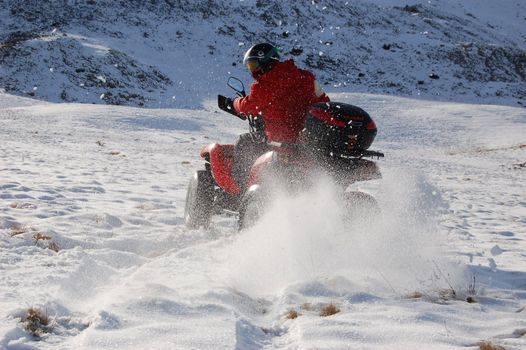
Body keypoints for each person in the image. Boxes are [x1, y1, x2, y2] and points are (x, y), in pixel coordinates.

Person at [223, 43, 330, 187]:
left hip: (279, 142)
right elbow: (324, 102)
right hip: (308, 142)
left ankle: (240, 190)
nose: (252, 70)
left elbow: (248, 106)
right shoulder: (307, 78)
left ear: (266, 61)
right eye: (250, 66)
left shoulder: (266, 84)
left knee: (245, 142)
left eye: (253, 65)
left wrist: (234, 102)